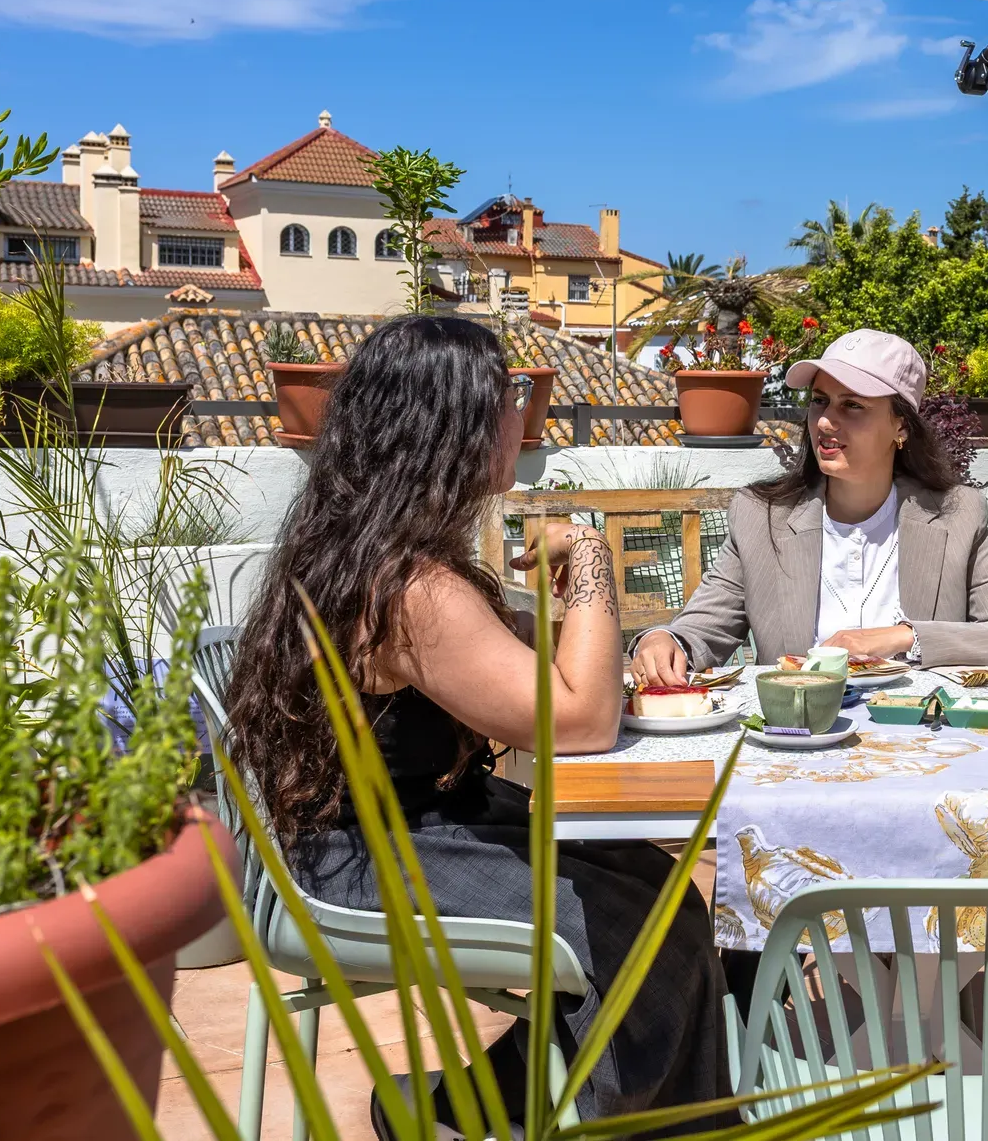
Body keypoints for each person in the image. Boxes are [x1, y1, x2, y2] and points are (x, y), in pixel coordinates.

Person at [224, 316, 729, 1137]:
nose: (522, 412)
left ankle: (455, 1108)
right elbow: (580, 719)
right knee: (637, 933)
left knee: (662, 893)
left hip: (410, 820)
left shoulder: (385, 553)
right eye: (508, 393)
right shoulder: (409, 587)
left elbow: (536, 670)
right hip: (368, 857)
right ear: (451, 422)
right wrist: (591, 553)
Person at [633, 328, 988, 684]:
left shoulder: (956, 516)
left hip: (917, 735)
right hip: (799, 733)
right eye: (819, 401)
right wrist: (666, 640)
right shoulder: (762, 517)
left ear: (901, 426)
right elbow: (702, 628)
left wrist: (904, 636)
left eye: (853, 405)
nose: (826, 421)